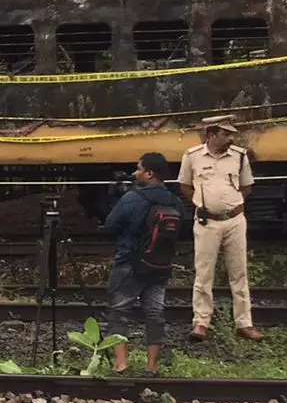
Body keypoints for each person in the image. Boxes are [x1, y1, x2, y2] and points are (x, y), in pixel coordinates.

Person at [177, 114, 262, 342]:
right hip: (207, 222)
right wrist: (204, 205)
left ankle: (244, 323)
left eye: (231, 134)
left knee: (239, 272)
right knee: (204, 272)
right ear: (211, 134)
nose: (230, 138)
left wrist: (230, 205)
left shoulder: (240, 156)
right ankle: (201, 322)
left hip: (234, 220)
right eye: (225, 134)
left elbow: (246, 187)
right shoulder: (192, 156)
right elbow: (185, 186)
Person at [103, 152, 180, 374]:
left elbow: (110, 226)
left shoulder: (132, 198)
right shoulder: (174, 200)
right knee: (155, 313)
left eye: (138, 169)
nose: (135, 173)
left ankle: (121, 364)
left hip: (130, 264)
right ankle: (151, 366)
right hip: (160, 266)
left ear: (149, 173)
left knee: (119, 311)